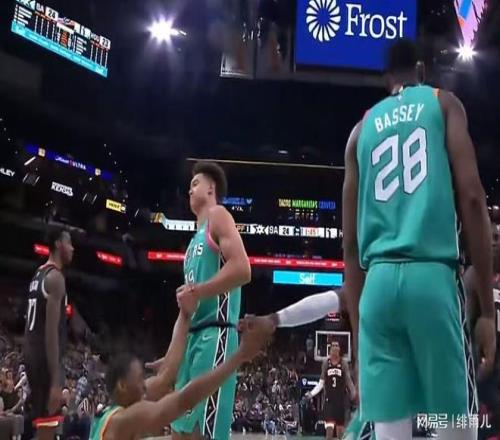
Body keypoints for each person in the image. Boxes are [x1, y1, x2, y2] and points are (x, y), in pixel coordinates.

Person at [341, 39, 495, 440]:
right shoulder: (443, 103)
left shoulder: (360, 130)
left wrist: (359, 335)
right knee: (454, 426)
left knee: (391, 431)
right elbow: (473, 198)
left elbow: (350, 246)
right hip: (431, 278)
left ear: (385, 79)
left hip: (377, 288)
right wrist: (487, 312)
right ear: (423, 70)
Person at [89, 317, 271, 440]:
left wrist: (184, 315)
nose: (144, 386)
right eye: (139, 379)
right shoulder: (123, 420)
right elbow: (185, 400)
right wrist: (239, 356)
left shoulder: (108, 414)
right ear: (122, 385)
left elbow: (164, 378)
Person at [173, 161, 251, 440]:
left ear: (211, 189)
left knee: (201, 433)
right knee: (179, 431)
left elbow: (242, 269)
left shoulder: (218, 216)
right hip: (192, 340)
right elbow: (188, 306)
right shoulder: (192, 243)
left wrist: (198, 291)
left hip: (216, 335)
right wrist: (172, 356)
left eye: (195, 184)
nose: (190, 190)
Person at [24, 227, 74, 440]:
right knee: (47, 429)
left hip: (32, 355)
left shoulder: (38, 274)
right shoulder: (56, 278)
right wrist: (55, 380)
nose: (72, 248)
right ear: (58, 244)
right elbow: (51, 333)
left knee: (41, 426)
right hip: (45, 360)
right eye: (69, 243)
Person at [466, 220, 500, 436]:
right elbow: (466, 324)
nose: (494, 242)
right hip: (486, 368)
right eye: (490, 238)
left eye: (497, 238)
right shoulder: (473, 276)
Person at [305, 341, 356, 440]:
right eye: (333, 346)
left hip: (341, 401)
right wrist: (311, 394)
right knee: (329, 433)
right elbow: (321, 383)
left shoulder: (343, 363)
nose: (335, 348)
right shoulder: (326, 363)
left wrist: (354, 393)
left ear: (339, 349)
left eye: (337, 346)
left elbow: (348, 380)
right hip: (329, 401)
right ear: (330, 349)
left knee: (340, 434)